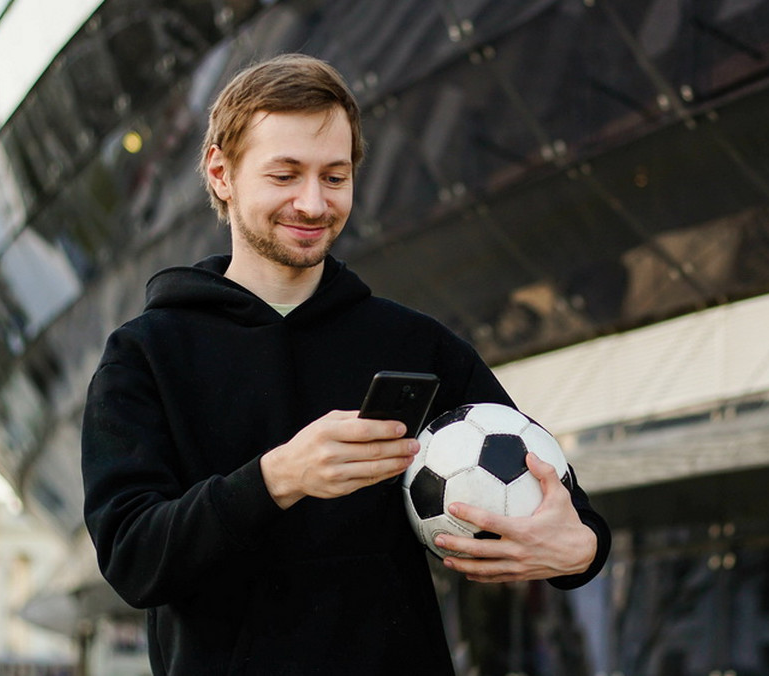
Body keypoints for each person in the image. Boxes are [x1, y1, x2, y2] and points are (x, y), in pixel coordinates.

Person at [81, 53, 610, 676]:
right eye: (286, 175)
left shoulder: (418, 346)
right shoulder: (144, 356)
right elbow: (133, 561)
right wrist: (279, 477)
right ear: (221, 174)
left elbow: (570, 512)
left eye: (334, 177)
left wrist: (580, 551)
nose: (313, 203)